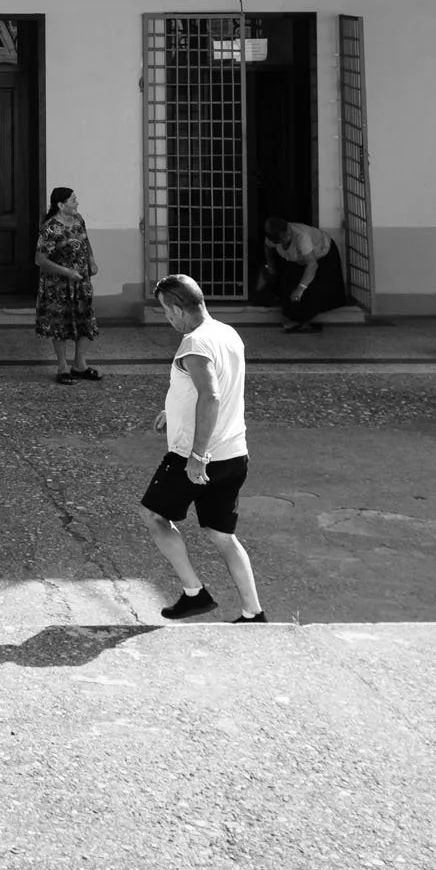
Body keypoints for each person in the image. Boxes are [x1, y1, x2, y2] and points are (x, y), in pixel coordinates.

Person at [140, 273, 265, 623]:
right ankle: (253, 613)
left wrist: (197, 456)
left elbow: (210, 395)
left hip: (195, 457)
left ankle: (193, 592)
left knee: (153, 515)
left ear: (179, 309)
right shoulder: (227, 333)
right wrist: (175, 410)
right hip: (234, 453)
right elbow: (212, 388)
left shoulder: (193, 343)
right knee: (222, 534)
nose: (167, 319)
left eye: (166, 311)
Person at [33, 185, 100, 383]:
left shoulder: (78, 220)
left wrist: (92, 260)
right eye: (73, 200)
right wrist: (67, 272)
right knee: (60, 325)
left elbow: (85, 242)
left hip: (81, 282)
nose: (77, 203)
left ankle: (80, 364)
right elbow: (40, 260)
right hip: (58, 286)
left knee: (86, 322)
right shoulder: (51, 228)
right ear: (61, 205)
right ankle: (62, 367)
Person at [263, 217, 350, 333]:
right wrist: (271, 268)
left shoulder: (302, 237)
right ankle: (296, 319)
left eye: (285, 236)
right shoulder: (273, 239)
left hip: (322, 256)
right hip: (298, 260)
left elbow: (312, 265)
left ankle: (306, 321)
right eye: (280, 240)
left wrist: (301, 288)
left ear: (288, 229)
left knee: (311, 289)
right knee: (289, 286)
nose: (284, 240)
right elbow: (268, 249)